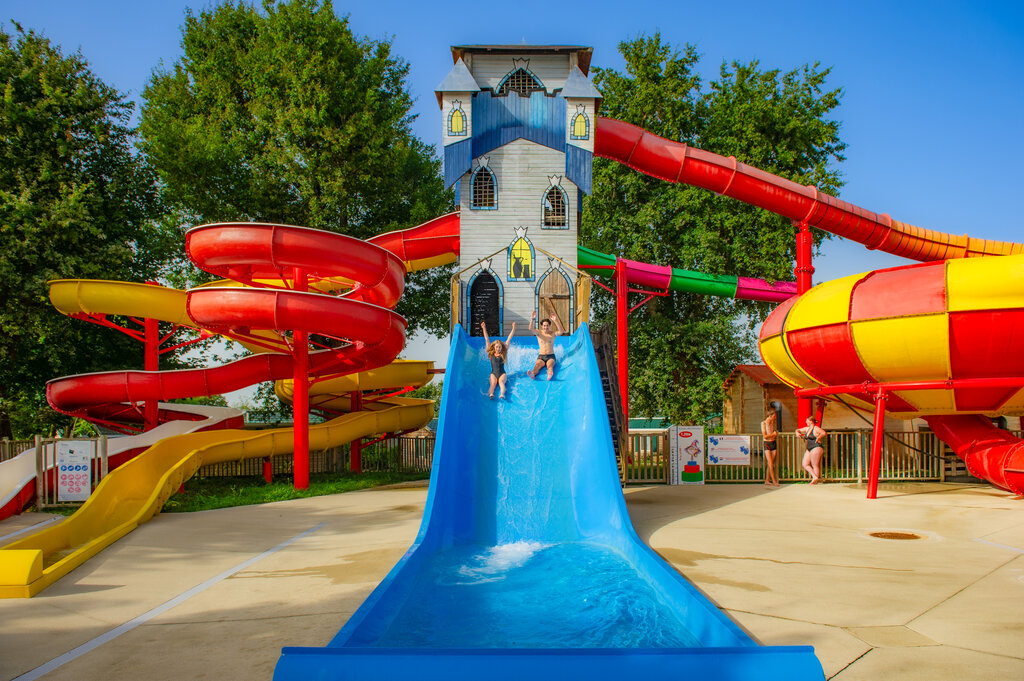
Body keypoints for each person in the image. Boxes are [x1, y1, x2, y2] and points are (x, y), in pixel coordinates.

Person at [481, 321, 516, 399]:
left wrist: (513, 328)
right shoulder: (491, 355)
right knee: (493, 383)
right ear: (494, 347)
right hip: (493, 373)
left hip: (502, 374)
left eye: (499, 347)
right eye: (496, 347)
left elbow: (508, 340)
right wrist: (484, 328)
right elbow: (486, 339)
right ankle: (491, 394)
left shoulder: (503, 354)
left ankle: (502, 394)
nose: (498, 348)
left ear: (501, 348)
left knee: (501, 383)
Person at [527, 310, 564, 380]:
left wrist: (556, 320)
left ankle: (549, 374)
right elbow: (530, 328)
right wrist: (532, 319)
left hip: (551, 356)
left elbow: (561, 331)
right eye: (544, 325)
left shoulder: (552, 334)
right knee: (537, 366)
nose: (546, 327)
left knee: (549, 366)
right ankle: (533, 374)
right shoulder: (539, 333)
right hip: (541, 356)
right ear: (541, 326)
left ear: (549, 326)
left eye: (547, 325)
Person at [796, 416, 827, 484]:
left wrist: (819, 437)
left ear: (811, 421)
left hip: (816, 447)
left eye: (807, 421)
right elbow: (798, 430)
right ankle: (814, 476)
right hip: (809, 448)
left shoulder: (816, 428)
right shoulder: (807, 429)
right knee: (805, 464)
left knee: (814, 464)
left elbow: (824, 433)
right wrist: (797, 433)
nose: (806, 422)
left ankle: (815, 480)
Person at [761, 409, 780, 487]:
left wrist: (774, 434)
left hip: (773, 443)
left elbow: (774, 433)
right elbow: (765, 436)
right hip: (767, 443)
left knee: (771, 463)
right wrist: (773, 434)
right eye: (774, 416)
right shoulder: (764, 423)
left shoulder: (772, 423)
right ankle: (774, 481)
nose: (775, 417)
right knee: (771, 463)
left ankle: (767, 480)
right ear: (771, 416)